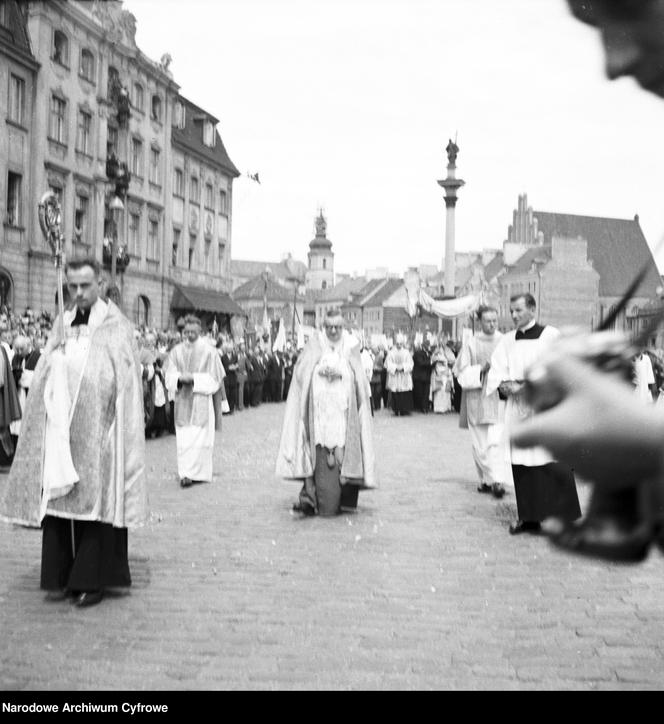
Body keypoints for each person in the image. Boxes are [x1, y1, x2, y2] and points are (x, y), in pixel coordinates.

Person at [0, 257, 146, 607]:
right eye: (73, 287)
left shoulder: (116, 327)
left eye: (85, 286)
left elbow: (122, 380)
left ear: (100, 284)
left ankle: (91, 580)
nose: (78, 293)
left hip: (100, 430)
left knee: (95, 504)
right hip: (62, 428)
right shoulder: (62, 321)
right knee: (61, 500)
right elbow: (46, 364)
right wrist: (54, 363)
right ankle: (61, 574)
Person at [486, 293, 581, 535]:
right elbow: (496, 373)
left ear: (532, 309)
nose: (514, 315)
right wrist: (509, 388)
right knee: (523, 462)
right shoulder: (507, 341)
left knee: (551, 459)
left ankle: (564, 517)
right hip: (518, 409)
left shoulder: (550, 336)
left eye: (518, 310)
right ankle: (528, 517)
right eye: (511, 311)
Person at [276, 308, 376, 517]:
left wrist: (342, 375)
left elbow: (360, 383)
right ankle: (311, 495)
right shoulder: (314, 346)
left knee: (343, 464)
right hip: (318, 419)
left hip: (343, 419)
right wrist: (318, 374)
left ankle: (343, 495)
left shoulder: (350, 347)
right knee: (326, 500)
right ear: (323, 327)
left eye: (337, 327)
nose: (333, 331)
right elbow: (301, 376)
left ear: (343, 327)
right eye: (329, 327)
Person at [166, 315, 225, 488]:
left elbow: (215, 380)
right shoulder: (176, 351)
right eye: (187, 332)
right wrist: (178, 378)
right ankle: (185, 474)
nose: (189, 335)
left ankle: (199, 473)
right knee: (184, 440)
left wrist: (194, 379)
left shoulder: (209, 351)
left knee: (199, 440)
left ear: (200, 331)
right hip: (183, 401)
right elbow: (168, 375)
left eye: (193, 332)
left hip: (201, 402)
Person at [453, 306, 506, 499]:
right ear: (479, 322)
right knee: (480, 443)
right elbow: (460, 372)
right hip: (477, 398)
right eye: (487, 321)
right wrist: (481, 369)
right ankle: (485, 480)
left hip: (498, 398)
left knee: (495, 442)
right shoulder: (472, 344)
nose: (492, 324)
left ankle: (496, 480)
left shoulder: (504, 341)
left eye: (494, 321)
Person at [9, 334, 41, 446]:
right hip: (19, 395)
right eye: (16, 349)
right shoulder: (15, 357)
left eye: (21, 349)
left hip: (31, 396)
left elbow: (39, 377)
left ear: (28, 346)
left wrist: (24, 376)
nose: (18, 352)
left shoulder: (38, 356)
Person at [385, 335, 414, 416]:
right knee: (396, 393)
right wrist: (395, 368)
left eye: (400, 344)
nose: (399, 345)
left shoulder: (406, 352)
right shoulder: (391, 353)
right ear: (395, 344)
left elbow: (410, 363)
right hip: (395, 376)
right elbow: (388, 363)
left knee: (404, 393)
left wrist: (403, 368)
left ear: (403, 344)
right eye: (397, 343)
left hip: (404, 375)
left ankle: (404, 410)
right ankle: (396, 410)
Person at [429, 343, 455, 414]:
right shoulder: (435, 355)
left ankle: (446, 407)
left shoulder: (447, 354)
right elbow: (432, 362)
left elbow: (452, 361)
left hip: (446, 376)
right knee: (439, 392)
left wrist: (446, 362)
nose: (441, 350)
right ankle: (438, 408)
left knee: (446, 392)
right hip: (438, 375)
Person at [412, 340, 432, 413]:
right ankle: (420, 406)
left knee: (426, 393)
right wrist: (431, 362)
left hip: (427, 376)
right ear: (423, 346)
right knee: (419, 393)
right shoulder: (418, 353)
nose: (428, 346)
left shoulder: (430, 353)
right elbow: (421, 363)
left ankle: (425, 407)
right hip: (419, 376)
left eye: (429, 345)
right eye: (427, 345)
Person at [220, 340, 238, 413]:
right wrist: (228, 368)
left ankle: (232, 408)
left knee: (233, 393)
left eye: (231, 348)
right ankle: (226, 410)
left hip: (233, 377)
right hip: (227, 378)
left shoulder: (235, 356)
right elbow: (221, 368)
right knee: (227, 393)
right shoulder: (223, 357)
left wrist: (236, 366)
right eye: (229, 348)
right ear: (226, 349)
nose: (230, 349)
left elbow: (237, 364)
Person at [236, 340, 248, 410]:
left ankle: (242, 404)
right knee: (240, 391)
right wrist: (242, 371)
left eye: (244, 346)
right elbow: (240, 364)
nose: (244, 348)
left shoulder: (244, 354)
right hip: (240, 374)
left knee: (243, 390)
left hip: (244, 373)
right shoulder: (239, 354)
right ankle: (240, 405)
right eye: (242, 346)